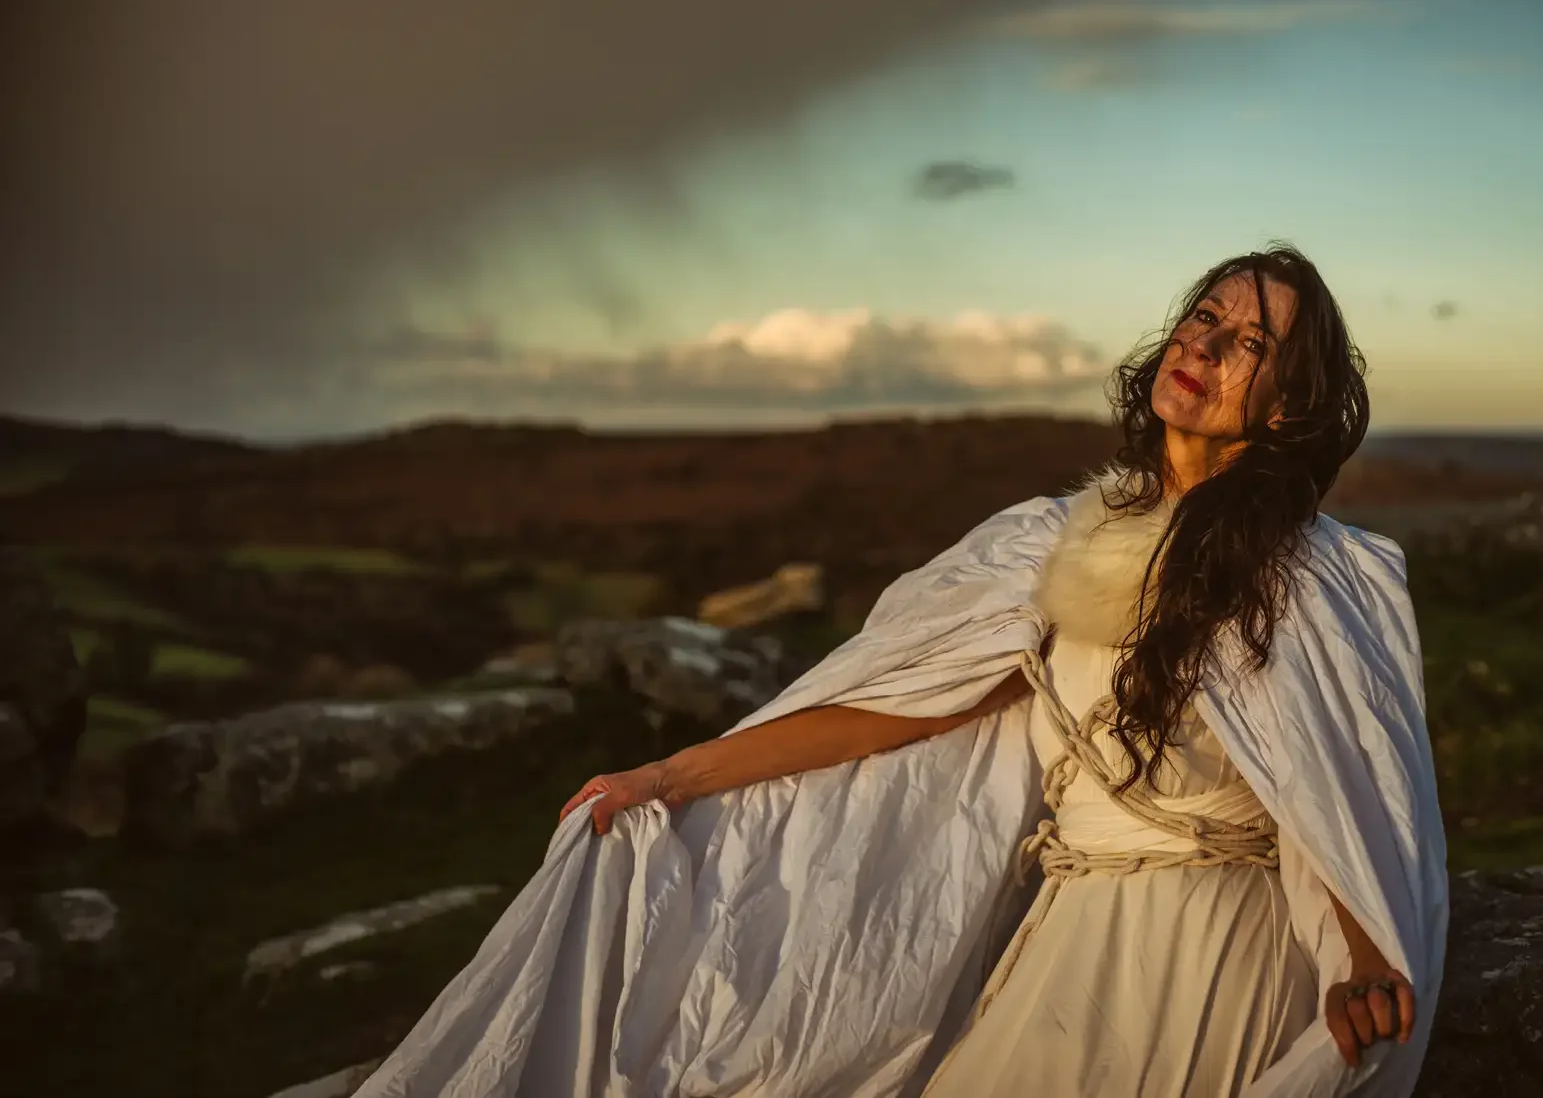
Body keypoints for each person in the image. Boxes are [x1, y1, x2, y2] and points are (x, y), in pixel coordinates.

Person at [354, 245, 1448, 1098]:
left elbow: (1342, 794)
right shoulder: (1050, 543)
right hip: (1069, 941)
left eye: (1248, 340)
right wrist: (670, 777)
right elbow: (896, 709)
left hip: (1214, 951)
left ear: (1288, 403)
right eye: (1203, 315)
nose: (1203, 343)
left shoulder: (1310, 576)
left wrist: (1361, 958)